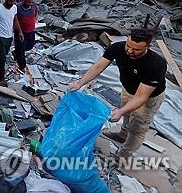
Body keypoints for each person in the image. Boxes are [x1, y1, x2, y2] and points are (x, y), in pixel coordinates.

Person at [68, 28, 166, 159]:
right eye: (128, 46)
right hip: (128, 89)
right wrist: (80, 83)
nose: (130, 51)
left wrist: (120, 111)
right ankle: (122, 134)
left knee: (137, 127)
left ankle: (123, 155)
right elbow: (98, 67)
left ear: (148, 46)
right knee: (127, 114)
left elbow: (141, 97)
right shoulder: (117, 48)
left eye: (136, 49)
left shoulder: (155, 65)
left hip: (148, 98)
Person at [13, 0, 38, 70]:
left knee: (30, 45)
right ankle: (22, 66)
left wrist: (34, 21)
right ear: (24, 0)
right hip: (20, 32)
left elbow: (36, 13)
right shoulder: (17, 7)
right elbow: (15, 19)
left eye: (31, 2)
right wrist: (19, 31)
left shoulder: (34, 6)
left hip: (31, 31)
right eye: (28, 2)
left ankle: (16, 52)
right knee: (21, 50)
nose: (30, 4)